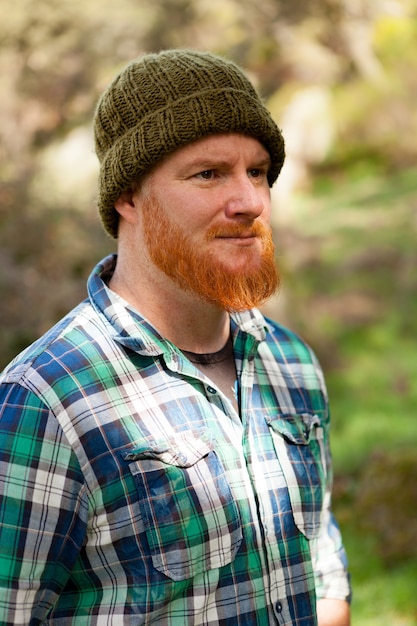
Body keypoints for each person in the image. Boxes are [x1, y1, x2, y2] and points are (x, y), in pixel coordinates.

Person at [0, 49, 351, 625]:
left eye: (257, 171)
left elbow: (322, 574)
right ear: (129, 197)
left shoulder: (291, 363)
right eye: (208, 173)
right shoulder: (47, 400)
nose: (251, 202)